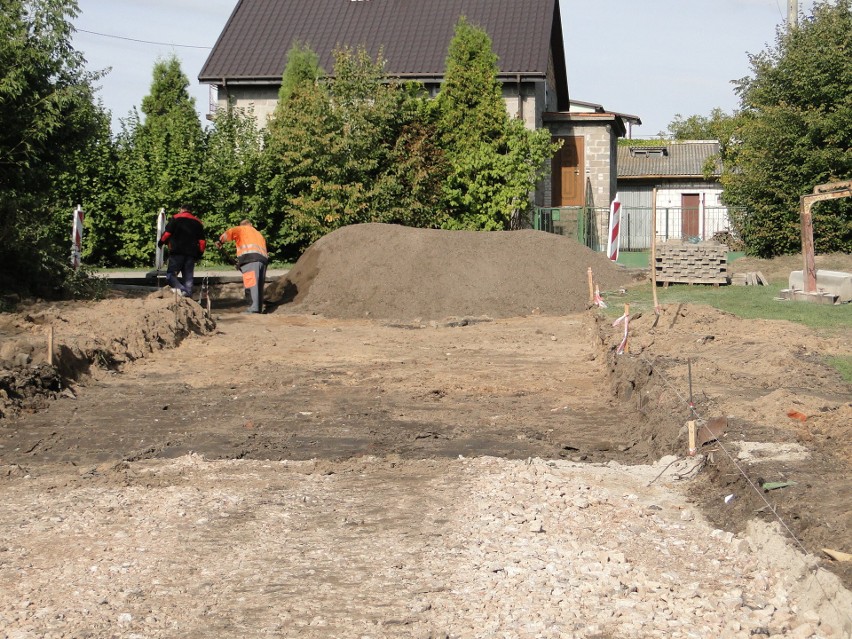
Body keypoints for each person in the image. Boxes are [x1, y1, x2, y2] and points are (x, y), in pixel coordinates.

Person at [216, 219, 268, 314]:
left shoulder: (242, 229)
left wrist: (220, 241)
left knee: (251, 284)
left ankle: (253, 308)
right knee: (258, 285)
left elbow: (229, 232)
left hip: (250, 259)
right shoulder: (258, 234)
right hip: (263, 260)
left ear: (243, 225)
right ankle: (258, 308)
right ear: (251, 225)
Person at [158, 204, 206, 297]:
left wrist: (160, 243)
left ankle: (183, 291)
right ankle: (188, 297)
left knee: (170, 276)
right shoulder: (198, 222)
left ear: (181, 209)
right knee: (188, 279)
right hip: (191, 254)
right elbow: (202, 242)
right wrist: (199, 254)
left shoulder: (176, 218)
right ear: (191, 211)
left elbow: (167, 234)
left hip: (177, 252)